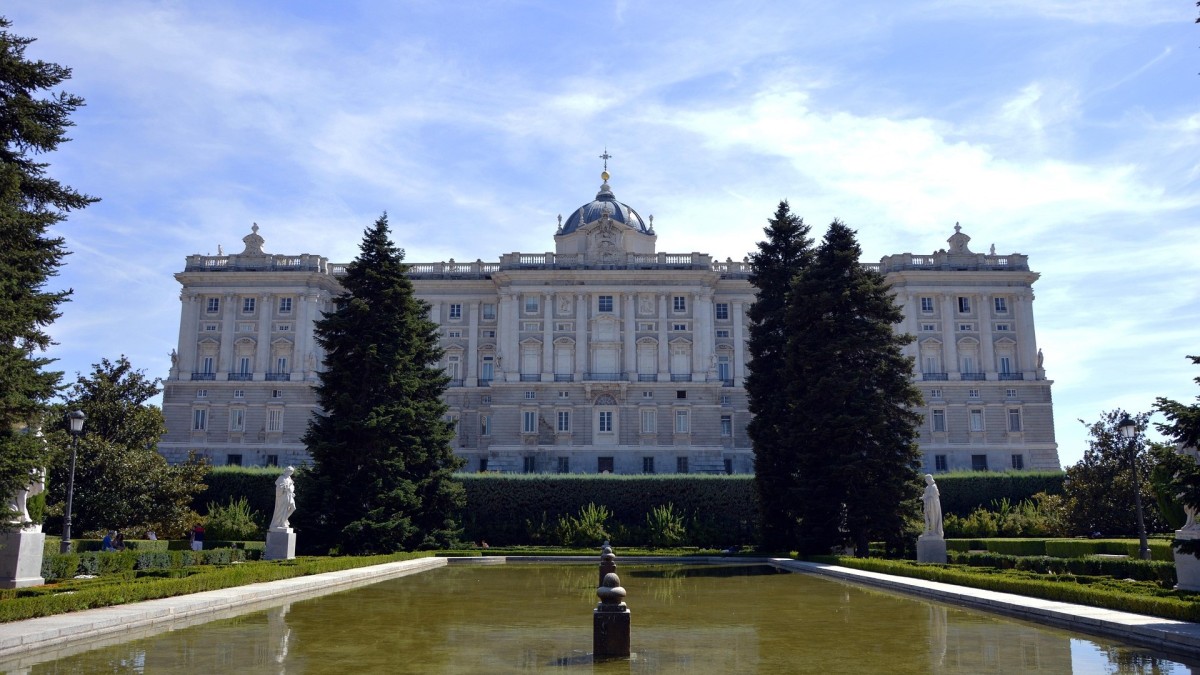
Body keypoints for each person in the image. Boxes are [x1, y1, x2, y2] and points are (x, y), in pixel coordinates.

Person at [270, 466, 297, 530]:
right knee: (281, 510)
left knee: (293, 508)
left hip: (289, 496)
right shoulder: (281, 478)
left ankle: (284, 520)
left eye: (291, 472)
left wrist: (291, 491)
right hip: (282, 497)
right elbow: (279, 488)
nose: (290, 473)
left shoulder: (290, 479)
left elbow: (292, 487)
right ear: (286, 471)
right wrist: (285, 488)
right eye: (290, 471)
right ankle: (281, 522)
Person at [922, 474, 944, 538]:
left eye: (926, 479)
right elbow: (926, 495)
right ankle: (930, 530)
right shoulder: (927, 487)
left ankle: (934, 531)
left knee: (933, 518)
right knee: (928, 518)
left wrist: (925, 496)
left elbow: (932, 495)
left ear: (929, 479)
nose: (926, 481)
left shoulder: (934, 486)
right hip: (927, 505)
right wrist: (924, 497)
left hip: (933, 505)